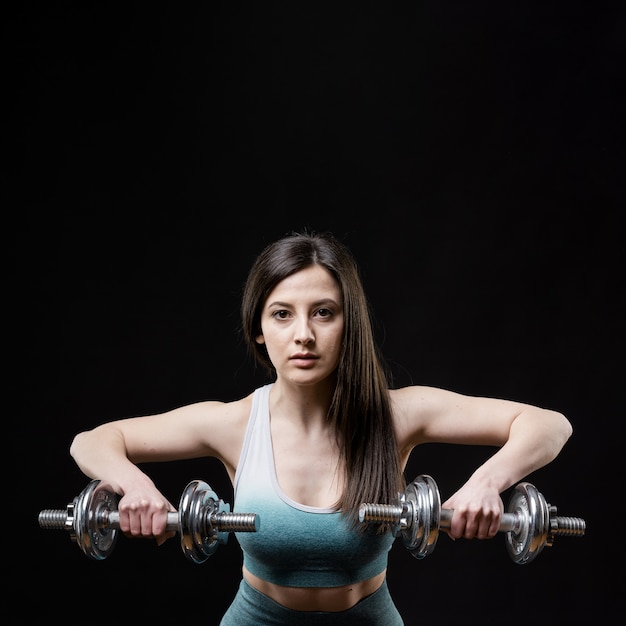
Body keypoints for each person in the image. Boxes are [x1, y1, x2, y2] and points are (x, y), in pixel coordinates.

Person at [69, 230, 573, 625]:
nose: (303, 335)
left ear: (347, 325)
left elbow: (549, 425)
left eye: (324, 313)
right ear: (259, 331)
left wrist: (487, 483)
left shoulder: (396, 415)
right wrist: (134, 486)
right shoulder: (233, 423)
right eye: (282, 315)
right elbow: (91, 441)